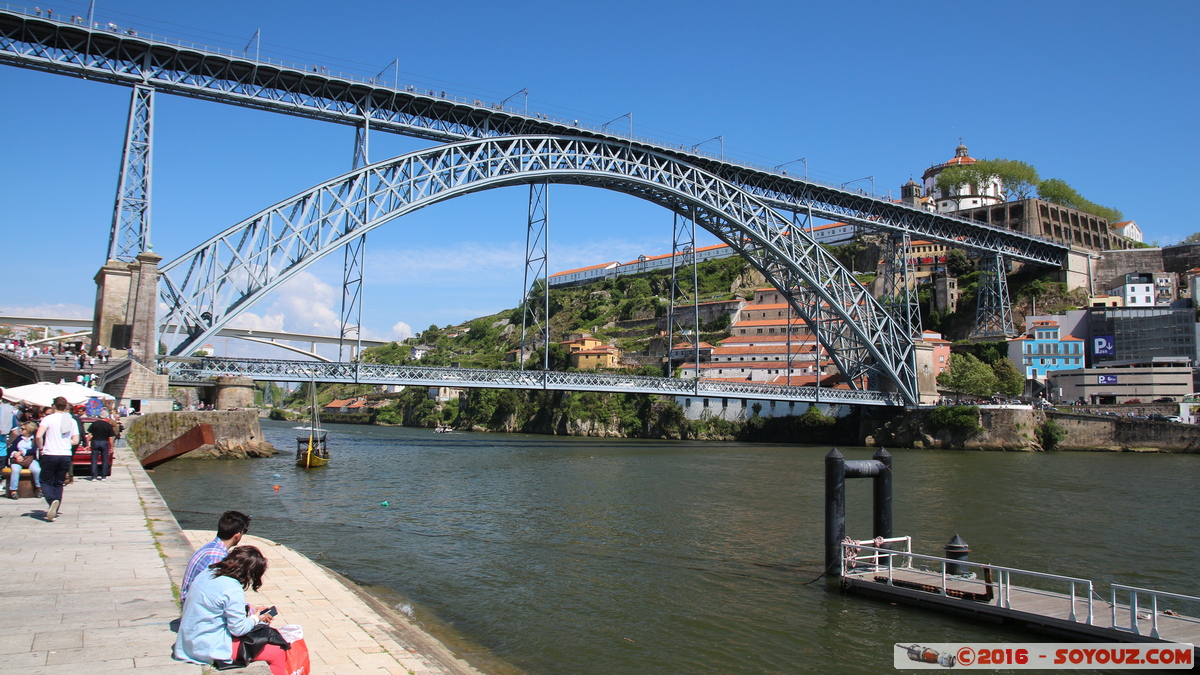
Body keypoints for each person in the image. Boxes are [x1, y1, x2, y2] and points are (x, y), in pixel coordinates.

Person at [173, 546, 287, 674]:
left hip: (189, 642)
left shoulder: (208, 572)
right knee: (277, 652)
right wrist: (256, 618)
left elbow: (218, 603)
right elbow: (238, 629)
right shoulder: (232, 588)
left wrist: (251, 609)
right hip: (206, 647)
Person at [181, 510, 252, 603]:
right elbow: (218, 594)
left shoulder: (211, 547)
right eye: (244, 531)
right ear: (237, 535)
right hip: (197, 608)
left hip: (193, 602)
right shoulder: (217, 558)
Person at [34, 396, 77, 522]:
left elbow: (38, 436)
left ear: (53, 406)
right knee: (59, 482)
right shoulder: (71, 421)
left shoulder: (48, 419)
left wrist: (41, 447)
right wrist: (63, 441)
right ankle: (56, 508)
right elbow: (75, 440)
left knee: (45, 481)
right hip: (65, 454)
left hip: (50, 453)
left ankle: (52, 500)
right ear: (65, 407)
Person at [7, 422, 41, 500]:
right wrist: (15, 454)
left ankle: (39, 488)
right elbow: (11, 449)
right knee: (15, 470)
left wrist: (22, 453)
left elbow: (34, 450)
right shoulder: (18, 438)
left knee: (36, 470)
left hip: (30, 459)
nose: (20, 430)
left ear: (29, 430)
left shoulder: (34, 439)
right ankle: (13, 490)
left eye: (22, 429)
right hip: (18, 460)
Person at [87, 415, 117, 481]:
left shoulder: (94, 424)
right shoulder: (108, 426)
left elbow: (89, 435)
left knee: (94, 460)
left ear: (99, 417)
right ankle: (103, 476)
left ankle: (94, 476)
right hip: (104, 442)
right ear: (106, 418)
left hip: (95, 442)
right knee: (105, 460)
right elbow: (111, 438)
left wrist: (87, 444)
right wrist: (111, 447)